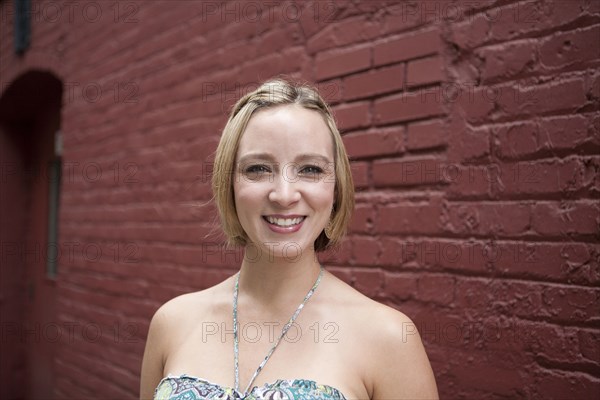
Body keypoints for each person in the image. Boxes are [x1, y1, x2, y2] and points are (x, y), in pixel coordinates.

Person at [140, 79, 439, 400]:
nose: (284, 195)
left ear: (336, 189)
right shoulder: (172, 323)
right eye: (258, 168)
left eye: (310, 169)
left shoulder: (389, 338)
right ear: (228, 185)